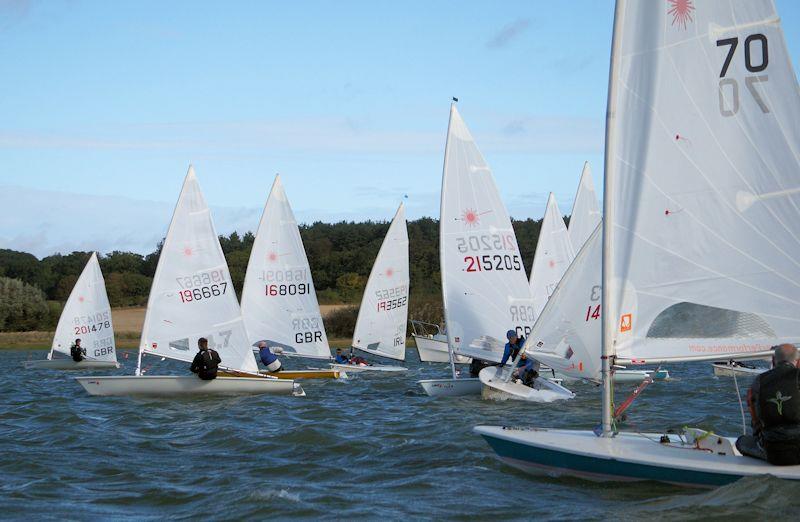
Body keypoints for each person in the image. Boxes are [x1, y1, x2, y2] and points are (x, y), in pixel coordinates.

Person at [736, 344, 800, 465]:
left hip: (775, 454)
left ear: (774, 360)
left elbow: (756, 420)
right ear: (797, 361)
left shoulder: (759, 381)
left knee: (741, 442)